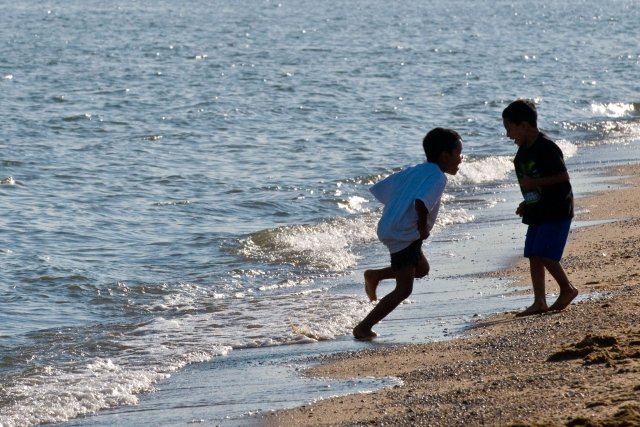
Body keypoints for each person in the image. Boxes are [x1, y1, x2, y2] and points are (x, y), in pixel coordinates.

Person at [353, 128, 463, 340]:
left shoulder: (414, 170)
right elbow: (421, 203)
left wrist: (399, 209)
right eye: (458, 153)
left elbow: (382, 189)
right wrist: (422, 228)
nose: (461, 158)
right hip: (405, 233)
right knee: (404, 289)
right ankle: (363, 327)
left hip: (391, 226)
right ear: (444, 155)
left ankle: (376, 275)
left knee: (421, 268)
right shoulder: (439, 177)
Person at [502, 99, 578, 317]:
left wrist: (536, 184)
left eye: (510, 129)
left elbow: (563, 177)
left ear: (524, 125)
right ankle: (539, 301)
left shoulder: (546, 147)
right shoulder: (523, 152)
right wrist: (527, 202)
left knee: (545, 254)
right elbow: (531, 183)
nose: (508, 135)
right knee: (533, 254)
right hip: (537, 209)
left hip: (557, 209)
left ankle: (567, 288)